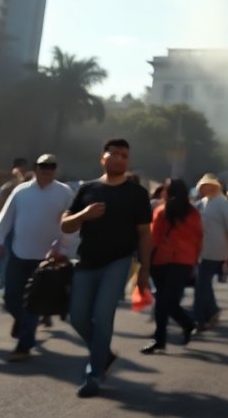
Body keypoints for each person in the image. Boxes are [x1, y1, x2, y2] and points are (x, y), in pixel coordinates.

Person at [60, 139, 151, 398]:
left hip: (119, 261)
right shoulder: (87, 189)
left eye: (124, 155)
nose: (120, 159)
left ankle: (94, 374)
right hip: (87, 261)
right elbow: (66, 225)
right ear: (103, 158)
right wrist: (83, 215)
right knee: (77, 316)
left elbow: (144, 234)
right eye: (114, 154)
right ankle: (104, 354)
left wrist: (145, 270)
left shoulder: (137, 193)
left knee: (102, 316)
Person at [0, 153, 75, 362]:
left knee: (32, 303)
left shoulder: (65, 193)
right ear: (36, 168)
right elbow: (5, 218)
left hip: (46, 259)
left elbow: (71, 225)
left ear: (56, 169)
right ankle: (23, 324)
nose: (46, 169)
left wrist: (63, 250)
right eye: (42, 166)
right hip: (19, 253)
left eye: (51, 166)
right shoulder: (21, 191)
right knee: (10, 297)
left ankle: (24, 344)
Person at [143, 177, 202, 354]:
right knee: (168, 301)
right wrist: (195, 260)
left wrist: (145, 260)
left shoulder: (162, 211)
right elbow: (198, 239)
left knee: (163, 301)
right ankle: (187, 324)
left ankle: (160, 338)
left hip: (162, 260)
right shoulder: (194, 214)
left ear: (167, 192)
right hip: (184, 261)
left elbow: (154, 239)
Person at [192, 172, 228, 331]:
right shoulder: (203, 203)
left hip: (216, 250)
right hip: (203, 249)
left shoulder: (222, 202)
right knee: (203, 284)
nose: (202, 189)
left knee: (202, 284)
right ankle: (212, 311)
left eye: (205, 186)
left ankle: (199, 318)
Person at [0, 157, 32, 291]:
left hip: (20, 227)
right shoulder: (10, 188)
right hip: (8, 227)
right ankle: (2, 283)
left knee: (9, 255)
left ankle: (2, 281)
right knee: (3, 254)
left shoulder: (25, 188)